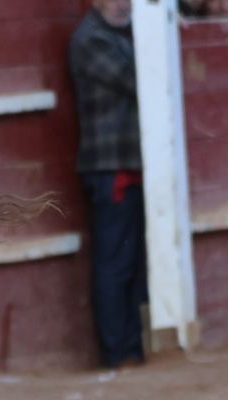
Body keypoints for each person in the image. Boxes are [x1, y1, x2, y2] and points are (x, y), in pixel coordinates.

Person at [69, 0, 146, 369]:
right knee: (116, 262)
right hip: (110, 166)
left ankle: (134, 345)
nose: (123, 3)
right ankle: (118, 352)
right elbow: (140, 80)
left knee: (131, 261)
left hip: (131, 163)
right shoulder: (90, 40)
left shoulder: (119, 35)